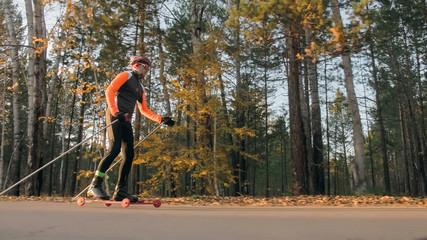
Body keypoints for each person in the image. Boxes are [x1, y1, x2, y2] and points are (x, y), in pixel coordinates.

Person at [87, 56, 175, 202]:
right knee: (114, 150)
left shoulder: (141, 88)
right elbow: (109, 91)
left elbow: (144, 110)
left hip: (126, 121)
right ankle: (95, 185)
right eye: (144, 67)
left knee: (129, 154)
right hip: (115, 116)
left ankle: (120, 191)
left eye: (148, 68)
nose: (146, 71)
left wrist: (160, 119)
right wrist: (116, 112)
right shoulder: (125, 76)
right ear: (135, 65)